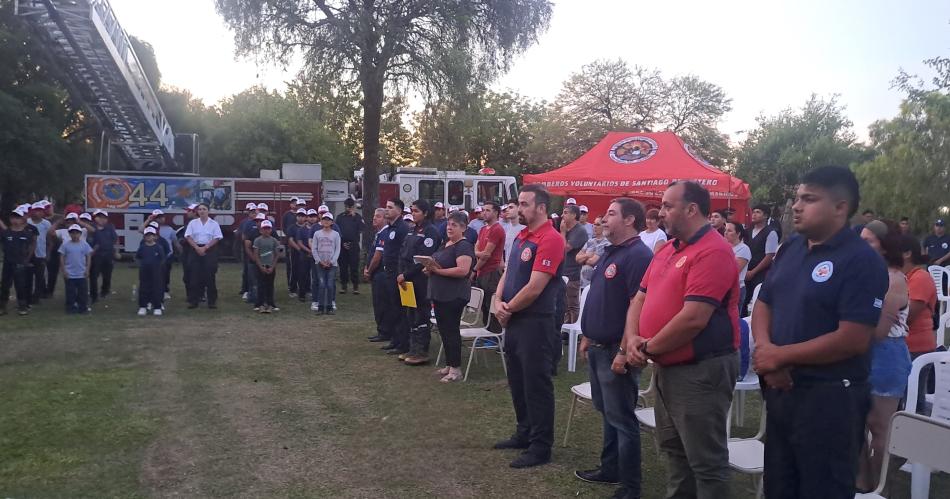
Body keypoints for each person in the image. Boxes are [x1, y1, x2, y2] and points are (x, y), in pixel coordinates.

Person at [750, 166, 888, 498]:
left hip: (830, 401)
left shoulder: (860, 260)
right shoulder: (791, 248)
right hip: (783, 392)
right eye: (797, 197)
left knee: (822, 489)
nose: (797, 206)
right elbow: (764, 303)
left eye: (809, 199)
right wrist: (769, 352)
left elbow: (853, 338)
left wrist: (779, 356)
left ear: (841, 207)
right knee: (780, 487)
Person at [623, 181, 740, 498]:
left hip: (700, 371)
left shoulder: (713, 251)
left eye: (667, 206)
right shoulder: (668, 249)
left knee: (705, 462)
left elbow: (693, 319)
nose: (660, 213)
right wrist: (633, 339)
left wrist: (645, 348)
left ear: (692, 209)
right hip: (668, 368)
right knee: (674, 453)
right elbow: (639, 298)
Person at [574, 198, 652, 499]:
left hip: (614, 350)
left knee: (622, 417)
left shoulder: (638, 255)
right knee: (607, 412)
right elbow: (601, 297)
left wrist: (622, 350)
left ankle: (631, 486)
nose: (603, 219)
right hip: (597, 345)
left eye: (610, 213)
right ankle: (610, 469)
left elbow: (638, 306)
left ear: (630, 220)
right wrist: (586, 335)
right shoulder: (610, 251)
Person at [492, 184, 565, 469]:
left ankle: (541, 446)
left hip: (536, 322)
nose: (518, 209)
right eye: (518, 203)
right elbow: (508, 273)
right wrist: (498, 300)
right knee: (518, 381)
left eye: (524, 204)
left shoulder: (551, 238)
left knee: (537, 385)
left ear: (541, 208)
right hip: (514, 319)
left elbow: (535, 288)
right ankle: (524, 432)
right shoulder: (522, 235)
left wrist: (507, 308)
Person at [857, 220, 912, 492]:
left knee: (879, 429)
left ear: (884, 246)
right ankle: (863, 482)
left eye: (869, 241)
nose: (861, 245)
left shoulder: (895, 279)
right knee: (855, 422)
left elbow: (878, 331)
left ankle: (879, 487)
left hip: (886, 357)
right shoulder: (865, 274)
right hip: (860, 352)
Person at [425, 210, 476, 383]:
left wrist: (438, 271)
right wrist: (429, 267)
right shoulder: (446, 244)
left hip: (453, 295)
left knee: (451, 331)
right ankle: (449, 363)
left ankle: (456, 369)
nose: (449, 227)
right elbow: (438, 262)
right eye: (448, 224)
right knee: (444, 330)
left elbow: (462, 270)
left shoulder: (463, 246)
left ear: (463, 228)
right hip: (440, 294)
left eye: (454, 225)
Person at [398, 199, 442, 365]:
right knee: (411, 314)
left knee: (421, 314)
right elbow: (403, 253)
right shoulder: (412, 230)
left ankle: (422, 351)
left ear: (425, 213)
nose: (413, 213)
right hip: (407, 280)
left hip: (421, 280)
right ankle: (412, 347)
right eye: (412, 210)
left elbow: (423, 259)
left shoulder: (431, 232)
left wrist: (406, 275)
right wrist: (401, 273)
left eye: (416, 211)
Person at [900, 234, 937, 412]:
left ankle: (916, 436)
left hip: (917, 350)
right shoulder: (903, 277)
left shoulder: (920, 277)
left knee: (913, 403)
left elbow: (907, 316)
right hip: (905, 347)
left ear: (907, 253)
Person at [380, 199, 412, 355]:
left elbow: (403, 253)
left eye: (390, 208)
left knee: (400, 310)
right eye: (386, 207)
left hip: (397, 274)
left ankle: (403, 343)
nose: (386, 210)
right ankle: (395, 339)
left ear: (399, 211)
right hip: (388, 273)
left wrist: (400, 272)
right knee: (392, 308)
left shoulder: (402, 228)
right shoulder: (390, 228)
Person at [184, 203, 223, 309]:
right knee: (194, 276)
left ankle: (212, 302)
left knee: (210, 276)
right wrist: (197, 248)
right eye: (200, 209)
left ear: (208, 211)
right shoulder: (192, 223)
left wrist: (205, 248)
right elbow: (188, 236)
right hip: (195, 249)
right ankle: (194, 301)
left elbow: (217, 237)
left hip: (209, 250)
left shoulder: (214, 224)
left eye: (204, 209)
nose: (201, 211)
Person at [473, 201, 505, 333]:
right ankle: (486, 332)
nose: (484, 213)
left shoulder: (497, 229)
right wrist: (479, 254)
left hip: (491, 271)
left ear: (496, 212)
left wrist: (474, 269)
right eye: (483, 210)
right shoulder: (482, 229)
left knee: (490, 304)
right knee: (483, 305)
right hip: (482, 270)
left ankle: (494, 334)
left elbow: (487, 255)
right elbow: (476, 247)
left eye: (487, 210)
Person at [742, 204, 778, 317]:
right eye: (753, 212)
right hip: (746, 270)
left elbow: (769, 255)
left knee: (757, 300)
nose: (754, 215)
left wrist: (753, 272)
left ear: (765, 215)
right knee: (743, 300)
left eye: (758, 212)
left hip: (761, 272)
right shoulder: (748, 231)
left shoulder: (770, 232)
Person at [0, 208, 36, 316]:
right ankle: (2, 307)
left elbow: (32, 245)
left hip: (20, 263)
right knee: (5, 285)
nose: (15, 220)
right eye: (13, 217)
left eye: (18, 217)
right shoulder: (6, 233)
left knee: (20, 285)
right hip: (8, 263)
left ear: (22, 220)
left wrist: (27, 258)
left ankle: (22, 307)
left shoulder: (26, 234)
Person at [560, 204, 589, 324]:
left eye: (566, 213)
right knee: (564, 304)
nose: (562, 215)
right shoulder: (568, 230)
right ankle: (566, 329)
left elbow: (565, 248)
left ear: (574, 215)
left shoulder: (580, 231)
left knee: (572, 304)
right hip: (563, 272)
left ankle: (574, 329)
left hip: (572, 274)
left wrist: (562, 232)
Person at [365, 209, 391, 342]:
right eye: (374, 216)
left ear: (385, 219)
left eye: (378, 216)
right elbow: (371, 253)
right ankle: (381, 329)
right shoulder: (379, 233)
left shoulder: (385, 233)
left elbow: (377, 256)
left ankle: (384, 331)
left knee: (382, 304)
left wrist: (369, 271)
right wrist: (366, 267)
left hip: (381, 274)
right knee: (378, 303)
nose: (374, 218)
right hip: (376, 273)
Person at [59, 224, 93, 315]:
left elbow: (88, 256)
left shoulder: (84, 244)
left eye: (77, 233)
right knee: (70, 293)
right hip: (70, 274)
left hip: (81, 273)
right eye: (72, 233)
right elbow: (62, 257)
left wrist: (87, 269)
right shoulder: (65, 245)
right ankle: (70, 308)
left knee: (83, 293)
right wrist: (64, 270)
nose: (75, 235)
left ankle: (83, 308)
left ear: (80, 234)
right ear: (69, 234)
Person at [312, 213, 341, 315]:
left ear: (332, 222)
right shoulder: (317, 234)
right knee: (321, 284)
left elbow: (337, 249)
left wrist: (332, 261)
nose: (326, 221)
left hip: (332, 265)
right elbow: (314, 249)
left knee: (329, 285)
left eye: (328, 220)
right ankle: (320, 307)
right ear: (321, 221)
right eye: (324, 219)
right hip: (319, 264)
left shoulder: (336, 234)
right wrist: (320, 261)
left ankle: (329, 307)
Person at [136, 227, 167, 316]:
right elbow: (138, 257)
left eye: (151, 235)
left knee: (156, 288)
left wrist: (159, 268)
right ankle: (143, 306)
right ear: (144, 237)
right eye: (147, 235)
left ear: (155, 236)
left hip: (156, 272)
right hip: (144, 272)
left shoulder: (158, 248)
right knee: (144, 288)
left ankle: (157, 306)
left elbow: (162, 259)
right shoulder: (142, 248)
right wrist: (141, 265)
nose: (149, 237)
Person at [88, 209, 117, 304]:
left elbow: (115, 240)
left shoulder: (110, 227)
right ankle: (94, 296)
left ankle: (105, 291)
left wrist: (116, 251)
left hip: (108, 254)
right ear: (95, 218)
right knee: (93, 276)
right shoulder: (92, 227)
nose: (102, 219)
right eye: (99, 217)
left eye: (104, 218)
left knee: (107, 276)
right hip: (96, 255)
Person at [337, 198, 364, 295]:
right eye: (347, 206)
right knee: (343, 266)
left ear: (353, 207)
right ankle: (343, 286)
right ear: (345, 206)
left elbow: (362, 228)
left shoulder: (357, 217)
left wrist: (354, 217)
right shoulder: (340, 217)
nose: (348, 208)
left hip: (353, 245)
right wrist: (342, 243)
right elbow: (337, 231)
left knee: (354, 266)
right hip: (342, 244)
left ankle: (355, 287)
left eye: (351, 206)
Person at [26, 202, 51, 303]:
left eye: (40, 210)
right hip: (28, 253)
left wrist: (48, 253)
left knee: (39, 276)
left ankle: (36, 297)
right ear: (32, 211)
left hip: (41, 253)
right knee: (28, 276)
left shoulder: (46, 224)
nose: (38, 213)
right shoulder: (27, 222)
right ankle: (27, 296)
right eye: (36, 210)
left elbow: (49, 240)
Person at [724, 221, 751, 314]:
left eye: (730, 231)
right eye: (725, 230)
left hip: (736, 289)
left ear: (738, 233)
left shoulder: (744, 249)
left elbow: (734, 270)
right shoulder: (724, 247)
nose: (726, 233)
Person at [253, 220, 279, 313]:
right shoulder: (257, 240)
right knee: (260, 285)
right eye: (264, 229)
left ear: (271, 230)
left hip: (270, 266)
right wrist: (260, 266)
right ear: (260, 230)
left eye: (268, 229)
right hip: (261, 266)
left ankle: (270, 303)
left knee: (270, 285)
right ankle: (259, 303)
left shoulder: (274, 240)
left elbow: (276, 255)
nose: (266, 231)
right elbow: (256, 255)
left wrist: (272, 267)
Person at [576, 216, 609, 288]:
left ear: (604, 226)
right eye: (594, 224)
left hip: (595, 284)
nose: (594, 226)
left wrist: (584, 258)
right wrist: (588, 255)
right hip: (582, 283)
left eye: (598, 224)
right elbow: (577, 258)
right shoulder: (590, 241)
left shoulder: (606, 243)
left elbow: (592, 261)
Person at [287, 208, 310, 303]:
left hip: (306, 253)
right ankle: (292, 289)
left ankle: (307, 289)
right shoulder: (292, 227)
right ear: (296, 217)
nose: (301, 218)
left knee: (306, 272)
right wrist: (299, 249)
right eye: (299, 216)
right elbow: (291, 240)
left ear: (305, 217)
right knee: (294, 270)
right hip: (295, 252)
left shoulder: (308, 228)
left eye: (303, 216)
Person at [176, 205, 198, 297]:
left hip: (195, 251)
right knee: (187, 275)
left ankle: (199, 294)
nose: (187, 213)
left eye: (189, 211)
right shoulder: (188, 223)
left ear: (195, 212)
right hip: (187, 252)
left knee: (198, 274)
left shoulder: (201, 223)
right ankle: (190, 296)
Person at [238, 202, 258, 300]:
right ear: (248, 213)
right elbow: (242, 236)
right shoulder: (245, 223)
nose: (253, 213)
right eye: (251, 212)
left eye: (255, 212)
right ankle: (245, 289)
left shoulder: (260, 222)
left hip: (258, 250)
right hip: (247, 250)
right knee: (246, 270)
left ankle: (255, 290)